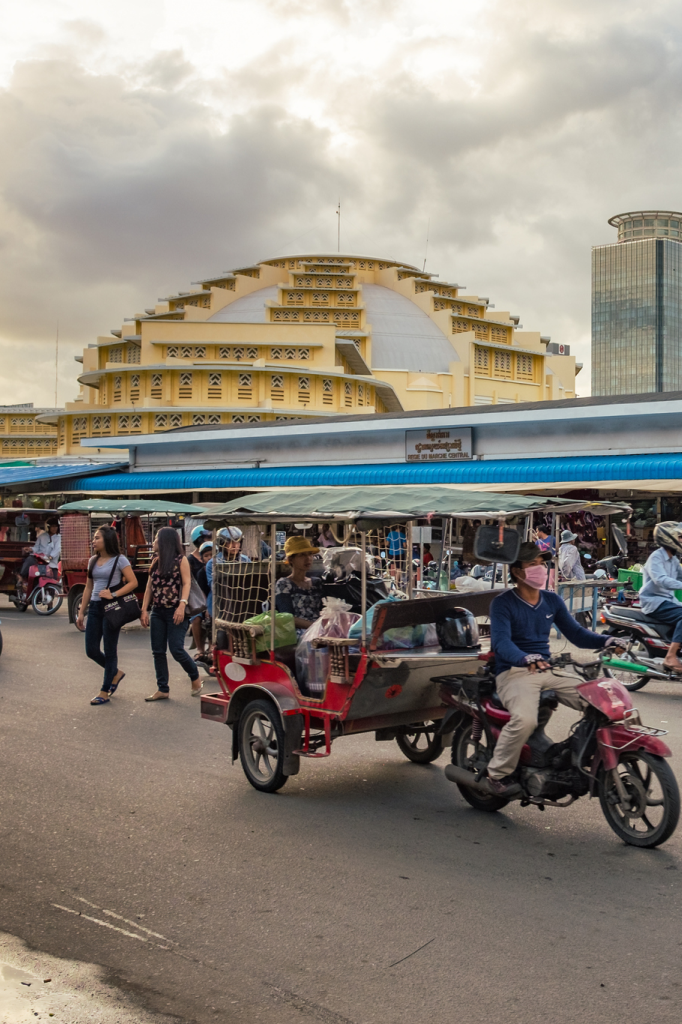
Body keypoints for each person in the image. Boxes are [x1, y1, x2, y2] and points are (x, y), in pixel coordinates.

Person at [485, 541, 622, 796]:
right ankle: (497, 773)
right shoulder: (502, 603)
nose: (540, 568)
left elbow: (577, 634)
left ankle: (571, 758)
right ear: (517, 571)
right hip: (514, 672)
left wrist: (607, 641)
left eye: (542, 563)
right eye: (533, 564)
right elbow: (501, 643)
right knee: (525, 720)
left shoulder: (552, 600)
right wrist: (524, 658)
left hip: (547, 670)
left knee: (601, 705)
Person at [77, 526, 138, 706]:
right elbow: (88, 587)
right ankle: (115, 673)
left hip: (111, 608)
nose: (93, 541)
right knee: (91, 650)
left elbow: (133, 582)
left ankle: (104, 691)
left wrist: (113, 594)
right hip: (95, 607)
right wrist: (81, 612)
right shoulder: (93, 560)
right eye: (94, 538)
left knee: (110, 650)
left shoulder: (120, 560)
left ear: (107, 540)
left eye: (97, 538)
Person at [140, 527, 202, 701]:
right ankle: (163, 689)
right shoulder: (155, 561)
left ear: (165, 541)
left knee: (176, 649)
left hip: (176, 611)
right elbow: (149, 587)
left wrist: (182, 605)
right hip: (158, 611)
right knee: (158, 651)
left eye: (156, 538)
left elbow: (187, 583)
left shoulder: (181, 560)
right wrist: (144, 610)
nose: (153, 542)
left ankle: (195, 676)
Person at [639, 521, 682, 671]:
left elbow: (680, 577)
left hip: (668, 600)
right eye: (680, 536)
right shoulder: (656, 557)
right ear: (669, 537)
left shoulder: (673, 559)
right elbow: (661, 580)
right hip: (654, 602)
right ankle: (670, 656)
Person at [275, 536, 323, 629]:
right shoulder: (284, 584)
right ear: (291, 559)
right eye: (302, 555)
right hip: (296, 633)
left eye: (310, 554)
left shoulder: (316, 583)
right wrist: (316, 627)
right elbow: (287, 618)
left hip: (319, 630)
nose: (308, 558)